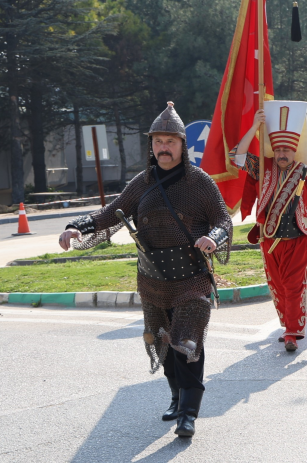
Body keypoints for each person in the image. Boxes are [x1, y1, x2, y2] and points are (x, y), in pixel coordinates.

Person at [58, 102, 232, 438]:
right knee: (164, 342)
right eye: (158, 142)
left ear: (182, 145)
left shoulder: (199, 182)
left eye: (170, 141)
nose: (164, 147)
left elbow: (223, 219)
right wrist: (77, 225)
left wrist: (213, 236)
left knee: (188, 343)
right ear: (151, 146)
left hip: (192, 277)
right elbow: (111, 213)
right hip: (152, 279)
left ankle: (188, 414)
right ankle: (175, 396)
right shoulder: (143, 182)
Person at [233, 102, 307, 353]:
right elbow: (236, 157)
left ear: (295, 150)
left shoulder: (305, 173)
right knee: (277, 286)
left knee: (294, 285)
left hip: (299, 239)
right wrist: (255, 126)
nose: (282, 154)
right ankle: (287, 325)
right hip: (270, 240)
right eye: (278, 149)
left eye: (287, 149)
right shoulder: (263, 167)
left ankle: (292, 332)